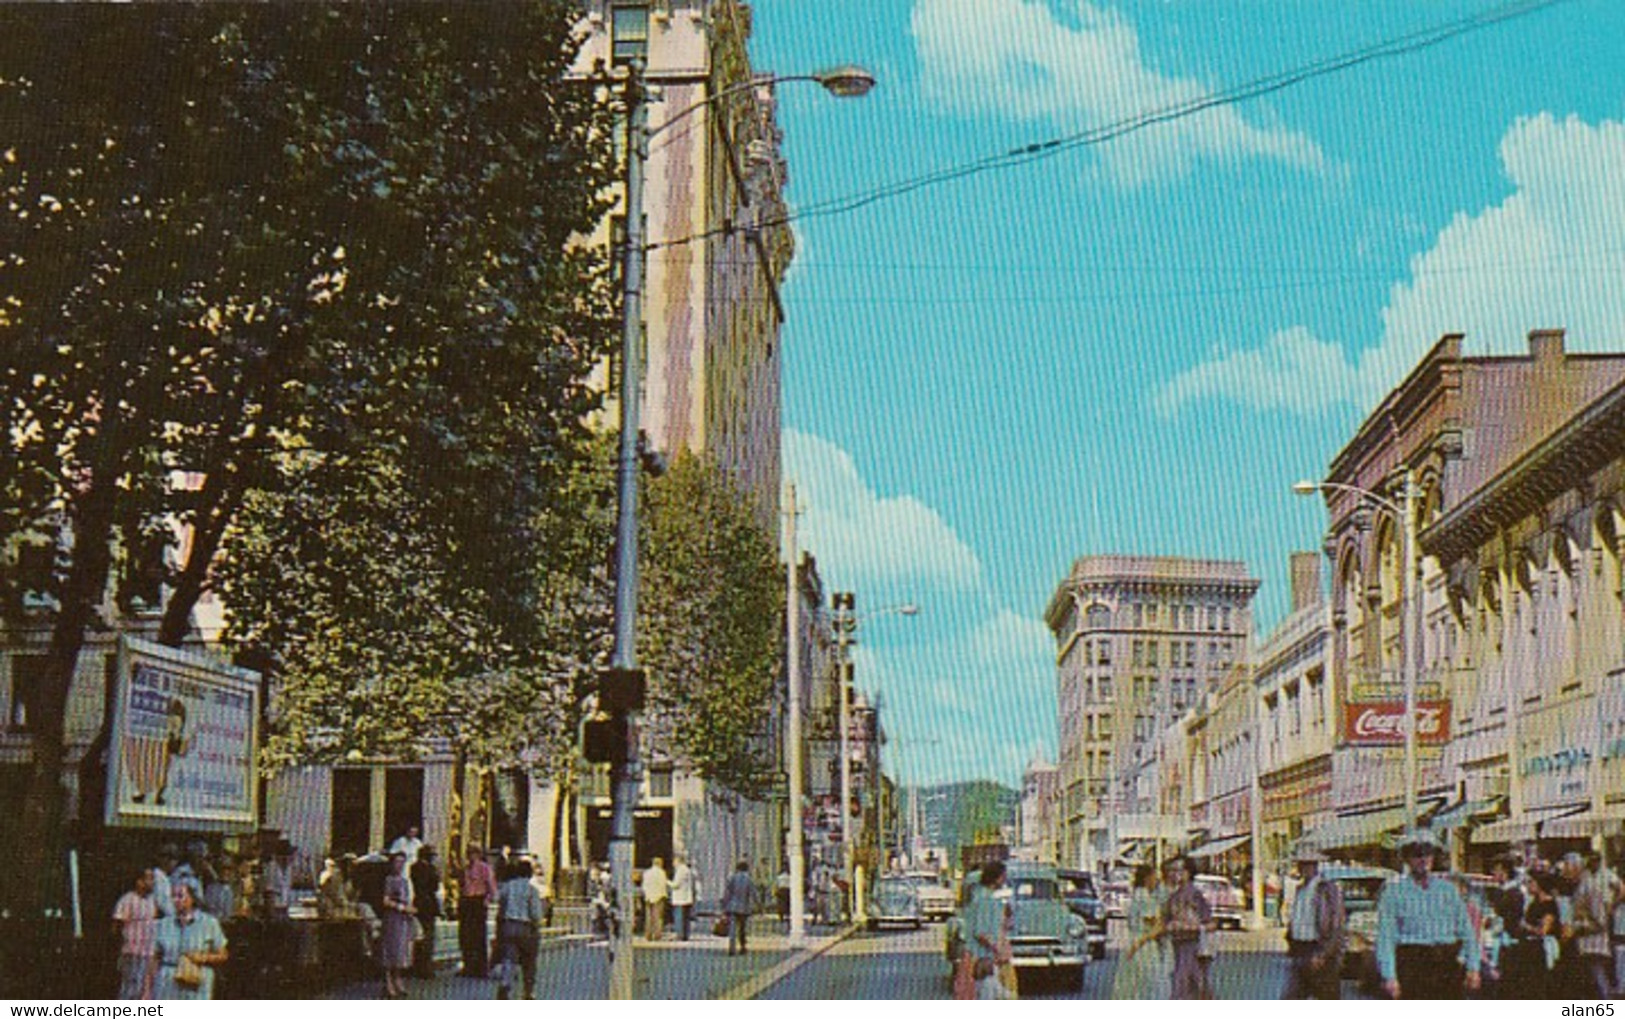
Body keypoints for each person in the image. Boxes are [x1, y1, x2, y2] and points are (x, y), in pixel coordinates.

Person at [1375, 829, 1480, 999]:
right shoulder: (1394, 893)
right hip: (1413, 964)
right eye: (1417, 855)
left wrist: (1473, 967)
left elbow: (1466, 931)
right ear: (1408, 859)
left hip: (1446, 965)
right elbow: (1386, 938)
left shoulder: (1447, 890)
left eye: (1428, 854)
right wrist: (1389, 976)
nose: (1423, 860)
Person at [1282, 841, 1345, 999]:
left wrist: (1324, 953)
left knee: (1326, 996)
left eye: (1308, 864)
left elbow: (1336, 924)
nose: (1304, 868)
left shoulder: (1328, 889)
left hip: (1318, 947)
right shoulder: (1300, 889)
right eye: (1302, 864)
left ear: (1315, 865)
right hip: (1300, 948)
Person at [153, 880, 229, 1000]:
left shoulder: (209, 923)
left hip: (196, 979)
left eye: (180, 896)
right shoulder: (164, 924)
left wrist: (202, 957)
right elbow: (155, 957)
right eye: (173, 896)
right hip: (167, 981)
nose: (176, 900)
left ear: (192, 898)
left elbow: (223, 954)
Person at [1110, 863, 1170, 1000]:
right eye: (1154, 877)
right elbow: (1156, 925)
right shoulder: (1144, 897)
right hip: (1143, 945)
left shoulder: (1137, 895)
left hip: (1134, 941)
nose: (1156, 880)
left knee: (1131, 985)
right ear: (1147, 878)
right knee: (1148, 985)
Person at [1161, 856, 1213, 1000]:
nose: (1175, 873)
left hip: (1192, 947)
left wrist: (1188, 926)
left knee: (1187, 988)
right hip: (1177, 947)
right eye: (1173, 870)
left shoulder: (1195, 894)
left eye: (1180, 870)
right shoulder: (1174, 895)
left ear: (1189, 872)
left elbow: (1210, 923)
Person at [962, 860, 1013, 1000]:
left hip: (984, 958)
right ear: (995, 877)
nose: (1004, 880)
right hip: (983, 959)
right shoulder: (986, 898)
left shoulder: (987, 896)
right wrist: (997, 949)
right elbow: (980, 932)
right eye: (1003, 876)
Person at [1564, 851, 1613, 998]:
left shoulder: (1591, 888)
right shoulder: (1580, 888)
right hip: (1583, 946)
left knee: (1598, 985)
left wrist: (1576, 927)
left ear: (1576, 868)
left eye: (1567, 867)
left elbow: (1600, 921)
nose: (1564, 872)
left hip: (1593, 946)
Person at [494, 859, 544, 1000]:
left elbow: (501, 906)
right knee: (529, 961)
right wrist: (537, 926)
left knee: (508, 958)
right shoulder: (531, 890)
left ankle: (505, 984)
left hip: (508, 925)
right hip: (525, 927)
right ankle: (528, 992)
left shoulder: (507, 887)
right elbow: (535, 913)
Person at [113, 867, 159, 1000]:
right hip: (132, 953)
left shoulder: (151, 900)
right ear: (139, 881)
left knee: (146, 991)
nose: (152, 882)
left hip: (149, 953)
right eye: (148, 879)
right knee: (130, 990)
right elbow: (117, 926)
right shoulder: (127, 900)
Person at [378, 850, 416, 1000]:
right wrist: (400, 907)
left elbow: (409, 898)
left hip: (404, 919)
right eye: (397, 862)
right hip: (392, 918)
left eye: (402, 862)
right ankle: (388, 981)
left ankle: (397, 978)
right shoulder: (389, 880)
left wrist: (410, 909)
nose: (399, 865)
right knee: (390, 949)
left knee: (401, 950)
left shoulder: (405, 880)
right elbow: (385, 900)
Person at [458, 845, 498, 976]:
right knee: (465, 935)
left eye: (473, 853)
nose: (470, 856)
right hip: (466, 901)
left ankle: (480, 967)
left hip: (478, 901)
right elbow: (462, 885)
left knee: (478, 935)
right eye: (469, 853)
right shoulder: (465, 869)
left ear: (478, 854)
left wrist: (487, 900)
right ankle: (468, 964)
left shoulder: (484, 868)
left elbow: (491, 886)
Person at [410, 846, 442, 978]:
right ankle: (425, 968)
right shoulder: (431, 869)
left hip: (417, 902)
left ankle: (415, 965)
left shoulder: (413, 867)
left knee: (417, 936)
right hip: (428, 904)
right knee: (428, 936)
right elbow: (434, 886)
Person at [721, 860, 756, 956]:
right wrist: (757, 905)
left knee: (732, 928)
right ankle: (743, 946)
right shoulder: (749, 879)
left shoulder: (732, 878)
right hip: (744, 907)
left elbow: (727, 893)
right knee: (742, 928)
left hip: (732, 906)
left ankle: (731, 947)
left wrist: (724, 905)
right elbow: (753, 893)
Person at [642, 857, 669, 941]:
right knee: (658, 917)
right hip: (659, 897)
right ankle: (657, 935)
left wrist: (646, 894)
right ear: (660, 864)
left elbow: (644, 885)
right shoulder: (662, 873)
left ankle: (648, 935)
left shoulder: (647, 873)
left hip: (648, 897)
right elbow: (663, 884)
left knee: (648, 917)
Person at [670, 854, 696, 941]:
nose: (673, 863)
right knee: (685, 919)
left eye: (674, 861)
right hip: (687, 898)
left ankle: (679, 935)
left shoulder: (680, 870)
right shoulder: (688, 870)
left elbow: (676, 884)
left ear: (678, 861)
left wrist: (667, 882)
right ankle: (685, 935)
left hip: (680, 899)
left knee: (679, 918)